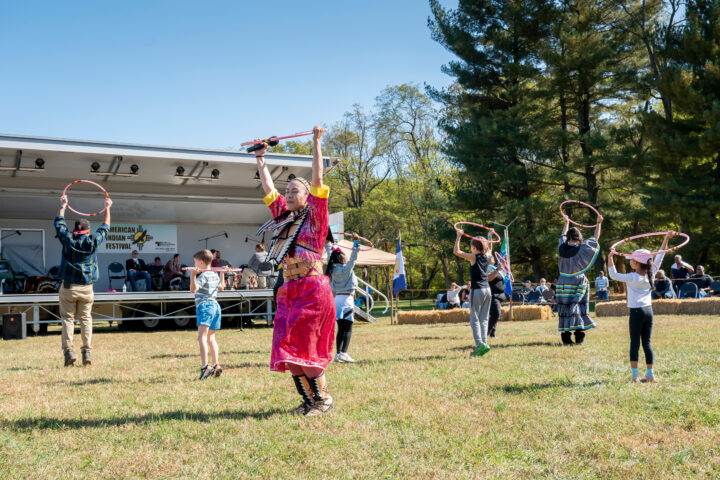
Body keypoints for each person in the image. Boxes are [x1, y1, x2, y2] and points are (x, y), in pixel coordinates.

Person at [254, 126, 336, 416]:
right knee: (288, 348)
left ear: (307, 195)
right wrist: (261, 159)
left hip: (313, 291)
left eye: (294, 190)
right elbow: (268, 189)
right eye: (287, 190)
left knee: (307, 346)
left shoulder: (316, 215)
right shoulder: (283, 217)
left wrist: (316, 142)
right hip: (289, 291)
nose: (288, 194)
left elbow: (317, 176)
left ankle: (323, 400)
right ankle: (308, 400)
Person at [55, 194, 112, 367]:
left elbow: (59, 223)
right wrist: (107, 207)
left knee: (67, 319)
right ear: (87, 231)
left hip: (68, 287)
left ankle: (68, 352)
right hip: (87, 288)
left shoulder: (68, 240)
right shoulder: (92, 242)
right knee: (86, 319)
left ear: (75, 231)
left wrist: (63, 205)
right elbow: (105, 228)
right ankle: (86, 352)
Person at [608, 233, 672, 383]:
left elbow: (613, 275)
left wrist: (610, 257)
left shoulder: (632, 277)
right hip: (649, 311)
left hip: (636, 313)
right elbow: (660, 255)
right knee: (647, 343)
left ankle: (635, 375)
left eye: (632, 261)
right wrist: (666, 239)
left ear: (637, 263)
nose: (630, 262)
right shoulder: (652, 273)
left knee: (635, 343)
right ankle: (650, 374)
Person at [556, 212, 603, 346]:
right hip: (577, 282)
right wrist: (598, 223)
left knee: (564, 308)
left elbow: (562, 235)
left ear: (568, 237)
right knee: (577, 307)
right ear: (579, 237)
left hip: (562, 282)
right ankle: (579, 336)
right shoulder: (581, 248)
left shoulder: (561, 247)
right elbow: (595, 239)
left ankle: (565, 337)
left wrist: (566, 222)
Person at [453, 230, 499, 356]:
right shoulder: (487, 257)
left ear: (473, 247)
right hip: (487, 291)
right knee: (484, 319)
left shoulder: (473, 257)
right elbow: (489, 248)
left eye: (471, 247)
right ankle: (484, 343)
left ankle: (479, 344)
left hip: (477, 290)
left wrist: (458, 237)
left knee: (474, 319)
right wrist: (489, 236)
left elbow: (456, 252)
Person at [189, 249, 225, 380]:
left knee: (202, 338)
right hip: (215, 306)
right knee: (211, 338)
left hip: (205, 307)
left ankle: (205, 367)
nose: (195, 265)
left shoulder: (203, 276)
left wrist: (193, 275)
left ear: (201, 262)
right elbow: (221, 287)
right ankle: (216, 365)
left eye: (195, 263)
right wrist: (222, 273)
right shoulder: (214, 274)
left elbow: (193, 290)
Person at [325, 234, 360, 363]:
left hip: (337, 300)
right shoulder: (346, 268)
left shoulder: (332, 268)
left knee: (340, 328)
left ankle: (338, 354)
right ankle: (344, 353)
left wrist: (328, 244)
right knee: (348, 328)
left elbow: (329, 254)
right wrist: (355, 242)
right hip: (347, 300)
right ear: (341, 258)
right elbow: (354, 258)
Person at [487, 256, 507, 338]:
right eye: (490, 257)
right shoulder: (487, 268)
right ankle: (485, 333)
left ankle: (492, 333)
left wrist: (503, 265)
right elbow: (489, 278)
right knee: (496, 314)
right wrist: (498, 269)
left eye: (492, 257)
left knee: (495, 314)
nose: (493, 258)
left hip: (499, 294)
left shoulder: (495, 268)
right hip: (493, 294)